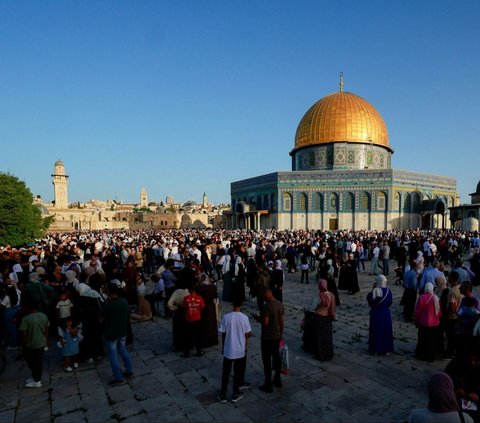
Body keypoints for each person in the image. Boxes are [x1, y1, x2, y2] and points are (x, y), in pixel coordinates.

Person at [217, 300, 253, 404]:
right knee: (237, 372)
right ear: (241, 304)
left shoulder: (226, 317)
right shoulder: (244, 318)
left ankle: (223, 393)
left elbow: (223, 333)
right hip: (240, 350)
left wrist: (223, 347)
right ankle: (235, 393)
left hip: (229, 349)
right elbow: (248, 333)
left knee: (226, 372)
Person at [103, 283, 133, 386]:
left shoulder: (109, 305)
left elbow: (101, 318)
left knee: (113, 355)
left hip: (111, 333)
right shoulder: (124, 301)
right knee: (123, 349)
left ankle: (119, 378)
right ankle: (129, 370)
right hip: (122, 331)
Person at [254, 288, 284, 393]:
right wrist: (281, 335)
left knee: (267, 362)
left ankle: (268, 384)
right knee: (276, 359)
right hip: (276, 337)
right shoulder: (279, 304)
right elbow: (281, 322)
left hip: (267, 338)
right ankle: (277, 380)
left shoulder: (267, 306)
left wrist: (257, 318)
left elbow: (265, 322)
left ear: (266, 296)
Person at [19, 297, 50, 388]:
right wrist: (46, 341)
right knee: (38, 361)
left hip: (30, 344)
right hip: (41, 342)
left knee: (32, 362)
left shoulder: (26, 319)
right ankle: (35, 377)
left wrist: (23, 345)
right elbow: (46, 330)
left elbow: (23, 334)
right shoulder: (43, 316)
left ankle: (37, 380)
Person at [367, 274, 394, 355]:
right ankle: (386, 349)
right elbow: (390, 303)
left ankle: (375, 349)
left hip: (376, 314)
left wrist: (373, 289)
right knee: (386, 332)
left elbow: (370, 301)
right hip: (386, 314)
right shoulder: (389, 291)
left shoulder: (375, 291)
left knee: (376, 331)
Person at [415, 282, 442, 362]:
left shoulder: (422, 297)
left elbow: (418, 311)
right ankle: (430, 357)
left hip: (423, 322)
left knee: (422, 340)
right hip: (434, 324)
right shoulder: (436, 298)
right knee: (432, 341)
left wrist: (416, 320)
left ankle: (421, 355)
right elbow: (439, 312)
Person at [312, 278, 336, 361]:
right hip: (327, 318)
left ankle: (320, 354)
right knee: (327, 337)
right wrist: (333, 316)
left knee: (319, 337)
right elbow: (332, 309)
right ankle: (328, 354)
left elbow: (312, 307)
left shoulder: (318, 296)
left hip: (319, 318)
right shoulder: (331, 295)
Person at [182, 283, 206, 358]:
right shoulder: (199, 298)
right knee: (198, 336)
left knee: (187, 337)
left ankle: (186, 353)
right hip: (197, 319)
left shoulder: (186, 298)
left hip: (188, 319)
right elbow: (202, 307)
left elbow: (184, 306)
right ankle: (199, 351)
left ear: (189, 290)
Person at [197, 274, 219, 348]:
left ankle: (205, 341)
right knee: (212, 324)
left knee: (204, 324)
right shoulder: (213, 287)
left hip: (203, 308)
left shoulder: (200, 288)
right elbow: (216, 298)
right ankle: (212, 340)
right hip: (211, 307)